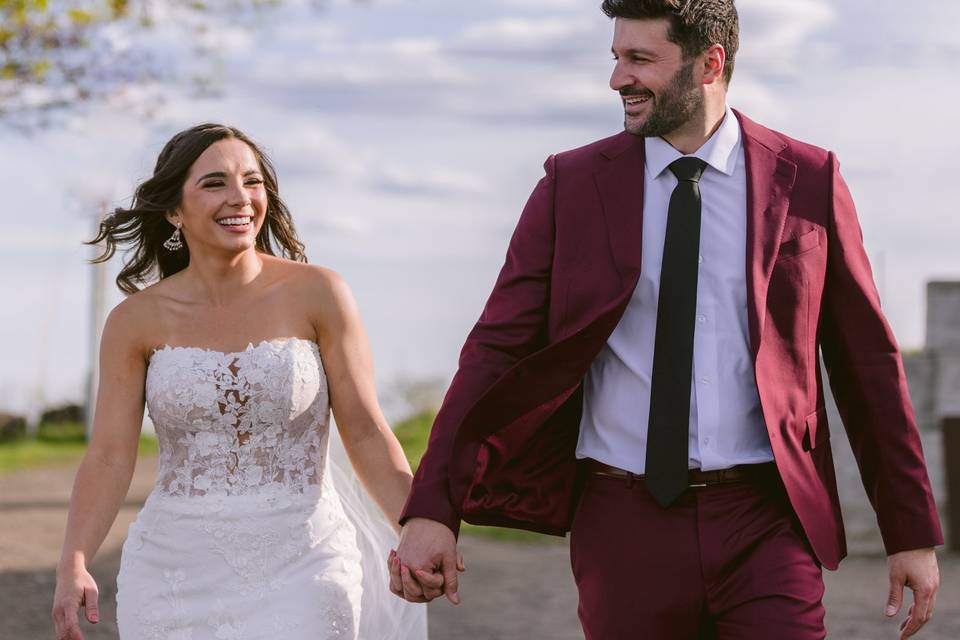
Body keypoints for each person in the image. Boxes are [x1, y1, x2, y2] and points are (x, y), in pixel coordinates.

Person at [390, 1, 943, 638]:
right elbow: (494, 351)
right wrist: (433, 508)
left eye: (640, 59)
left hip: (767, 516)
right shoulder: (572, 184)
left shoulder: (809, 178)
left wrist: (909, 531)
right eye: (617, 58)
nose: (618, 78)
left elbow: (867, 362)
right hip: (622, 519)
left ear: (709, 64)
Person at [51, 123, 427, 640]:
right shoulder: (135, 321)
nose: (241, 198)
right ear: (173, 211)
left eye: (252, 181)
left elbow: (364, 431)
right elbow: (111, 455)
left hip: (305, 562)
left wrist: (415, 527)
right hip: (173, 572)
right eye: (214, 183)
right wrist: (73, 559)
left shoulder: (319, 293)